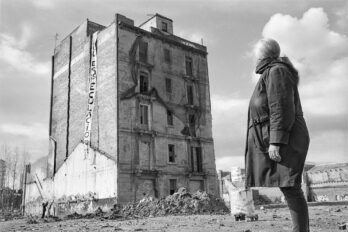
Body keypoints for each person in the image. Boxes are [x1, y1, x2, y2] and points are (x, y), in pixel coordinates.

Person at [245, 38, 310, 232]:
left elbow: (281, 107)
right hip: (280, 137)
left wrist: (276, 141)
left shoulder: (276, 71)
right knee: (288, 186)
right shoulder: (271, 72)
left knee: (291, 186)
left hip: (286, 139)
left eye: (256, 54)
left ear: (262, 55)